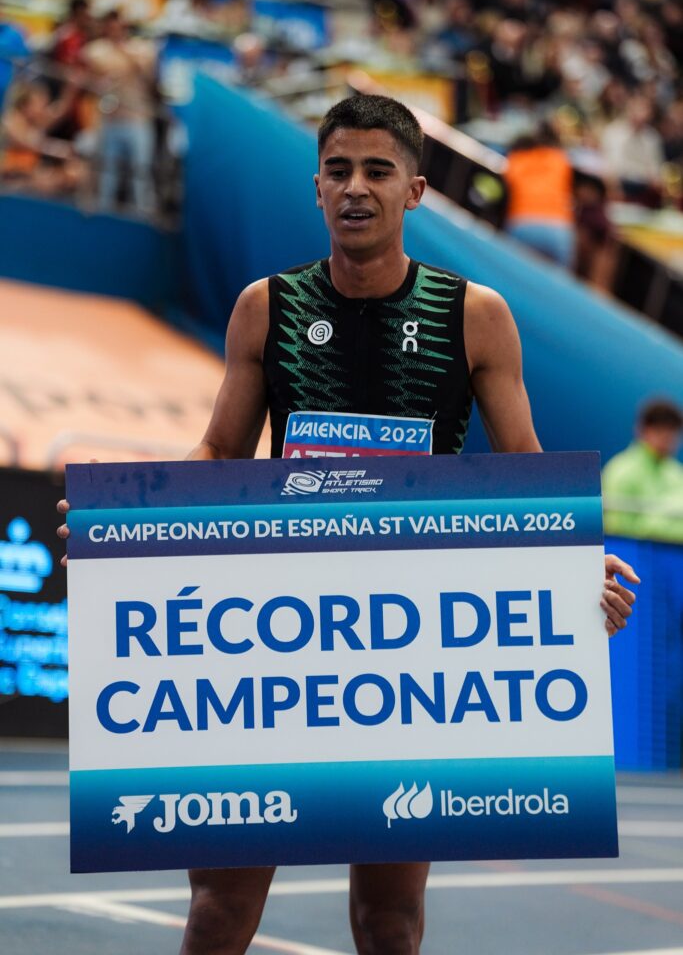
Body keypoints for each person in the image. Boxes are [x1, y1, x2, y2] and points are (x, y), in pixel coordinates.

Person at [58, 94, 639, 954]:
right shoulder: (266, 305)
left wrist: (572, 567)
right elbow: (220, 449)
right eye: (337, 170)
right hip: (277, 642)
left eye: (377, 170)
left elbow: (523, 464)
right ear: (317, 188)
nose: (355, 187)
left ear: (414, 190)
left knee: (388, 919)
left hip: (406, 648)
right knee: (219, 907)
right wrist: (129, 525)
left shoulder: (474, 314)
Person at [81, 9, 159, 215]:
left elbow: (151, 79)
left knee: (141, 174)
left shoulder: (143, 49)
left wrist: (124, 52)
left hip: (138, 119)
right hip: (109, 120)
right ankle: (103, 216)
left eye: (120, 25)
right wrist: (100, 83)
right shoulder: (95, 50)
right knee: (108, 175)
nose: (115, 29)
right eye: (111, 25)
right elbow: (88, 83)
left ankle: (143, 218)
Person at [603, 399, 683, 544]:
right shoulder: (621, 471)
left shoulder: (677, 473)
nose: (667, 439)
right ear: (642, 430)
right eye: (660, 431)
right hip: (631, 555)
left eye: (672, 433)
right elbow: (617, 531)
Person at [504, 125, 575, 268]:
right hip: (558, 229)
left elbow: (506, 188)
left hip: (522, 223)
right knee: (558, 279)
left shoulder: (516, 160)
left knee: (513, 272)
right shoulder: (560, 159)